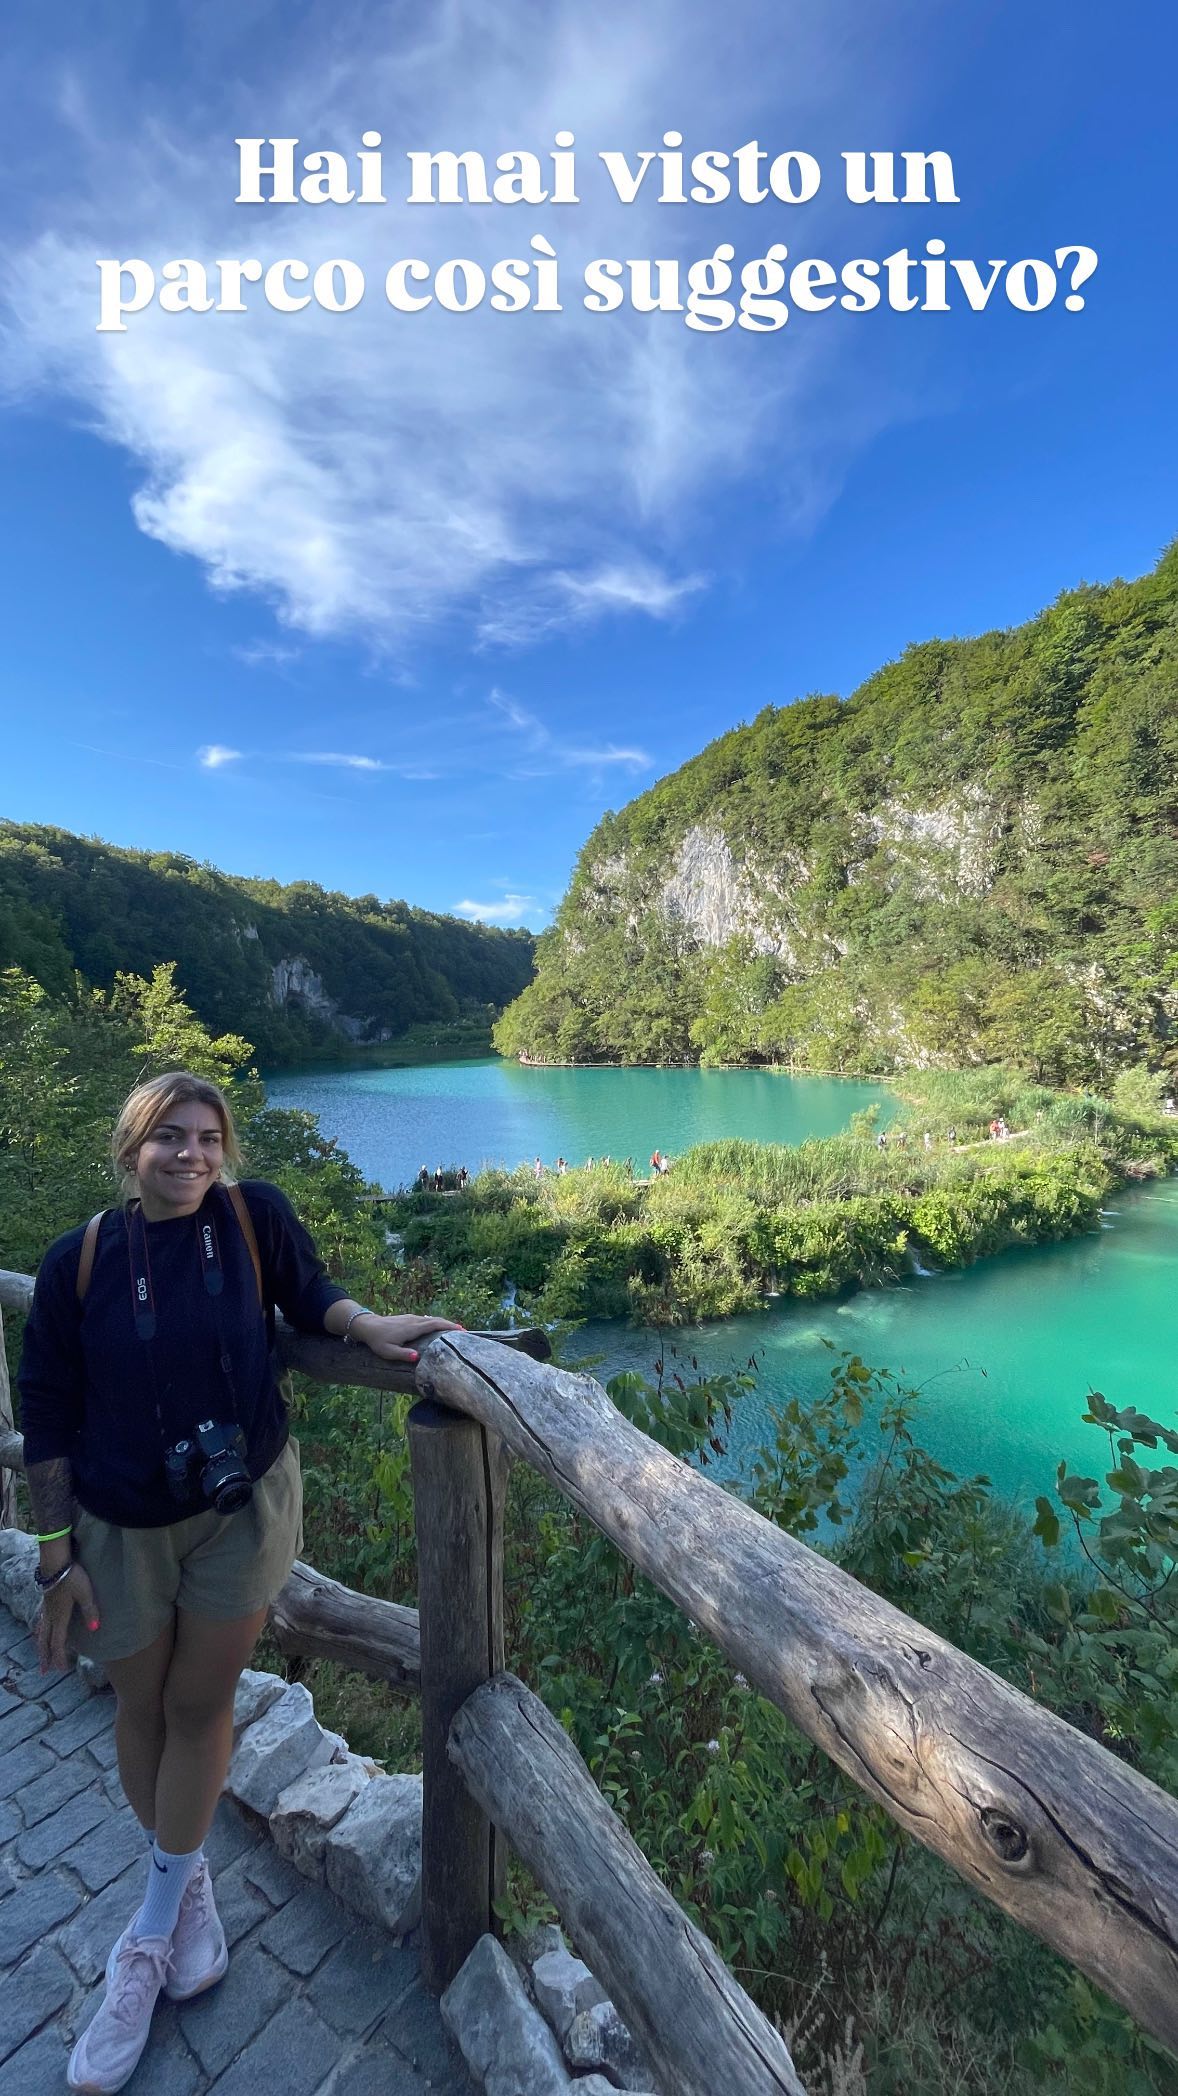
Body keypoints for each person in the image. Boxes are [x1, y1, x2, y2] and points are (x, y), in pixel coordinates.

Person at [18, 1071, 459, 2095]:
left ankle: (148, 1931)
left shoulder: (252, 1219)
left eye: (208, 1136)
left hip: (240, 1508)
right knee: (141, 1706)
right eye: (169, 1137)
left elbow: (309, 1293)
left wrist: (366, 1324)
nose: (192, 1154)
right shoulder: (78, 1259)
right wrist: (52, 1548)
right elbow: (44, 1402)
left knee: (197, 1702)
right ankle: (190, 1882)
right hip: (118, 1525)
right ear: (131, 1149)